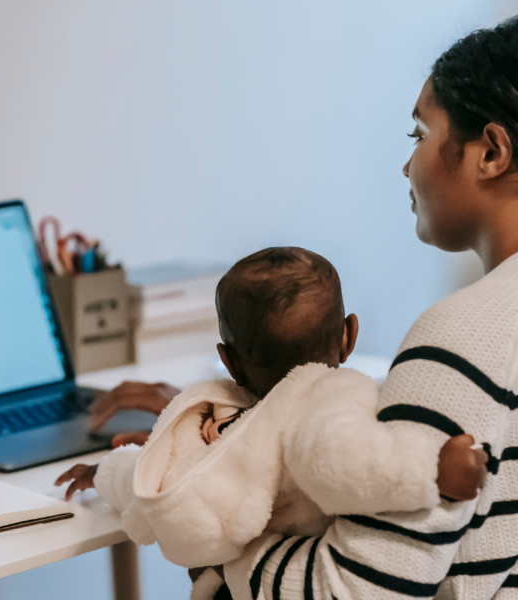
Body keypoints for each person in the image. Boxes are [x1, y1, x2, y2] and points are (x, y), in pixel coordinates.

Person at [85, 17, 518, 599]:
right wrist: (246, 426)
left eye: (419, 135)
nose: (407, 165)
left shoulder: (461, 337)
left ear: (490, 151)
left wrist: (211, 521)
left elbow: (350, 593)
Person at [57, 249, 486, 588]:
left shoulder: (217, 423)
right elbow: (348, 463)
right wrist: (432, 468)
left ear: (229, 362)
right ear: (349, 336)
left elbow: (154, 481)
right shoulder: (332, 400)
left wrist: (102, 474)